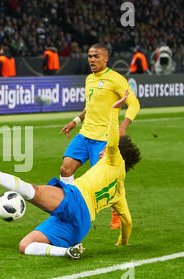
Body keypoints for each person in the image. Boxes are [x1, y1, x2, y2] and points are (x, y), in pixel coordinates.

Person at [0, 90, 141, 259]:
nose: (102, 151)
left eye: (106, 148)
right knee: (25, 245)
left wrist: (114, 112)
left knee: (34, 191)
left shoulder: (114, 160)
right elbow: (127, 220)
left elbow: (114, 141)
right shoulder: (120, 190)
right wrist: (123, 241)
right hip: (81, 226)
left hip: (76, 200)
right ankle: (68, 252)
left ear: (118, 153)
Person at [59, 43, 140, 230]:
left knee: (105, 181)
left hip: (104, 138)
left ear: (106, 59)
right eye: (89, 56)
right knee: (65, 169)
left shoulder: (116, 79)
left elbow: (134, 103)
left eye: (96, 56)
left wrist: (123, 126)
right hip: (85, 135)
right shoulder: (89, 79)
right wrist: (75, 120)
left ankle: (117, 213)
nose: (92, 60)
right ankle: (70, 206)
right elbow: (91, 105)